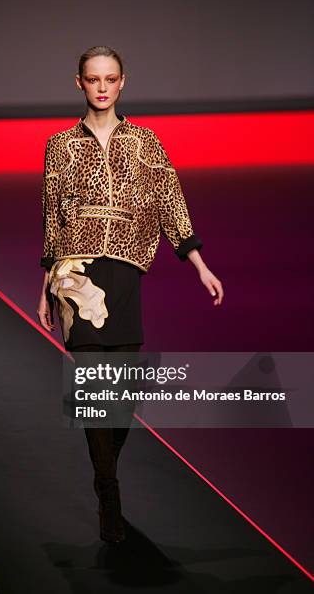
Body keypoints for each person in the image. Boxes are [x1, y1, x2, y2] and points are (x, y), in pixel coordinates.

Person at [37, 45, 224, 543]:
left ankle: (104, 480)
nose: (102, 87)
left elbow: (169, 200)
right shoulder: (60, 145)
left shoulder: (146, 142)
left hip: (125, 273)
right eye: (93, 79)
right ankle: (109, 493)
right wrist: (45, 288)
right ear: (79, 83)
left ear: (123, 83)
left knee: (121, 395)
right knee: (95, 392)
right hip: (74, 275)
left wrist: (198, 264)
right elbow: (53, 220)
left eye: (110, 78)